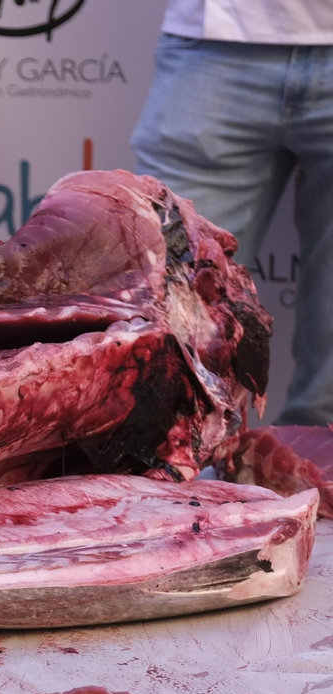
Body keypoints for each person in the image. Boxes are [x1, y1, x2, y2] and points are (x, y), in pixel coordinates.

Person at [131, 1, 333, 426]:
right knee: (167, 320)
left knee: (327, 409)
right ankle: (176, 487)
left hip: (214, 47)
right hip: (217, 39)